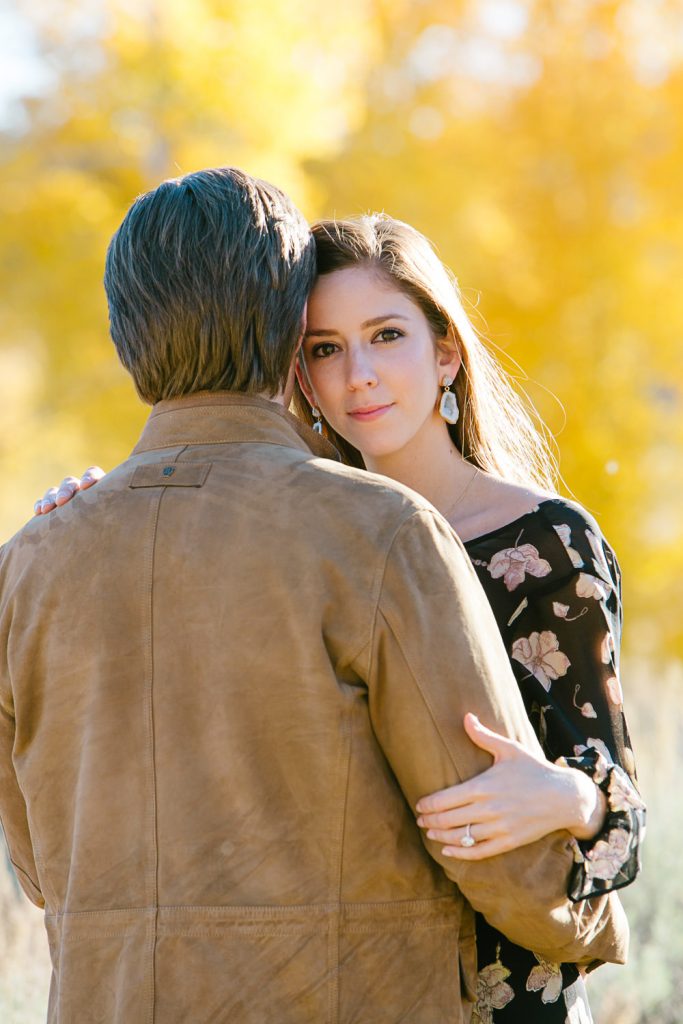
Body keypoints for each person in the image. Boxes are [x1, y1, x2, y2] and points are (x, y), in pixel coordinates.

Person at [12, 171, 629, 1024]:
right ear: (287, 350)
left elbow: (44, 865)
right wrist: (591, 924)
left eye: (385, 336)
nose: (359, 376)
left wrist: (580, 801)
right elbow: (507, 869)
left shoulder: (32, 559)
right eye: (326, 348)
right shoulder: (377, 533)